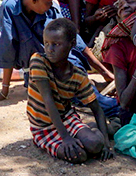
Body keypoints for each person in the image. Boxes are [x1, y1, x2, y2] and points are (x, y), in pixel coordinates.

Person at [24, 17, 115, 162]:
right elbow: (48, 100)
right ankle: (86, 131)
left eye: (56, 44)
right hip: (42, 127)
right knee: (79, 156)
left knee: (95, 145)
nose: (50, 49)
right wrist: (65, 137)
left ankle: (93, 130)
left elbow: (96, 109)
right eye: (46, 43)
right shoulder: (38, 61)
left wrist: (106, 144)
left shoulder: (77, 76)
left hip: (66, 119)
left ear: (72, 44)